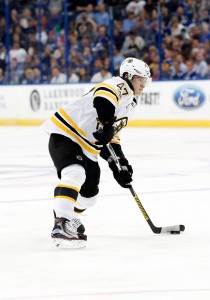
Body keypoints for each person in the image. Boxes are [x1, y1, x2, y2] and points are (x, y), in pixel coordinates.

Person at [41, 57, 151, 248]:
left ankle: (69, 215)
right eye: (139, 78)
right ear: (127, 76)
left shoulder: (131, 102)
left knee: (89, 197)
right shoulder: (119, 84)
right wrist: (106, 123)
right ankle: (61, 222)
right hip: (67, 134)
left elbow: (111, 136)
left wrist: (119, 163)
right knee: (75, 173)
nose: (143, 84)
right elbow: (103, 96)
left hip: (87, 147)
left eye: (145, 80)